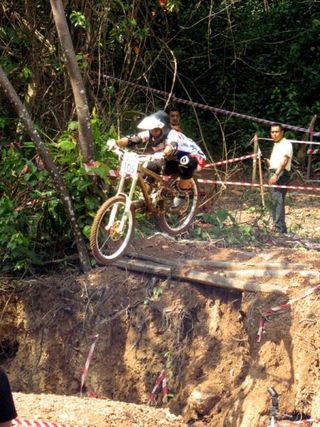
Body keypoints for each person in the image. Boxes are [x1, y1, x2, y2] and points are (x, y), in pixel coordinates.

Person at [116, 110, 206, 208]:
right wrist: (116, 143)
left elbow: (172, 146)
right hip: (173, 160)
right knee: (149, 166)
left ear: (164, 128)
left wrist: (163, 153)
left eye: (156, 130)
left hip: (194, 158)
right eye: (152, 130)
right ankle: (145, 198)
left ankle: (182, 193)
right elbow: (132, 139)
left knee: (185, 161)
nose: (153, 132)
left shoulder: (172, 134)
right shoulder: (150, 133)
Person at [265, 123, 293, 234]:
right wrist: (269, 163)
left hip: (280, 174)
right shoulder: (277, 144)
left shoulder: (286, 144)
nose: (274, 134)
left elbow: (285, 161)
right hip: (275, 172)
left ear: (282, 132)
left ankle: (279, 229)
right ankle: (278, 227)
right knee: (274, 200)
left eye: (276, 132)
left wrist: (276, 174)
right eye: (272, 132)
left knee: (277, 200)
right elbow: (277, 161)